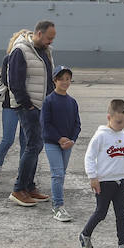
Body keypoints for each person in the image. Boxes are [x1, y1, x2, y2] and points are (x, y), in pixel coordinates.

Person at [7, 21, 56, 205]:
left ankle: (29, 186)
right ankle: (19, 189)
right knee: (33, 145)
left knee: (34, 145)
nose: (51, 41)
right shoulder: (20, 50)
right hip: (29, 107)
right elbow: (15, 81)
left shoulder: (43, 51)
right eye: (49, 38)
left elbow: (48, 80)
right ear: (39, 33)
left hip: (41, 106)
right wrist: (27, 104)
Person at [80, 98, 124, 248]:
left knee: (121, 213)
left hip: (119, 182)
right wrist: (93, 177)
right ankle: (85, 235)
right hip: (103, 182)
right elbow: (89, 157)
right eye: (119, 122)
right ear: (109, 118)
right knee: (101, 213)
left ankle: (122, 244)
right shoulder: (100, 137)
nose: (122, 125)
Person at [0, 28, 32, 184]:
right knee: (7, 139)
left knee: (26, 141)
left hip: (28, 104)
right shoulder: (9, 58)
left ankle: (22, 173)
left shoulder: (34, 59)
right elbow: (7, 81)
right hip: (10, 104)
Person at [39, 66, 82, 222]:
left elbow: (77, 124)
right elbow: (46, 124)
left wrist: (72, 139)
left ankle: (56, 201)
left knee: (61, 174)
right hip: (52, 143)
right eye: (61, 79)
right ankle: (58, 206)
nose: (65, 82)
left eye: (68, 79)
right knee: (57, 174)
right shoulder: (49, 101)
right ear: (55, 80)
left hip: (67, 145)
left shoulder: (72, 102)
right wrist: (59, 139)